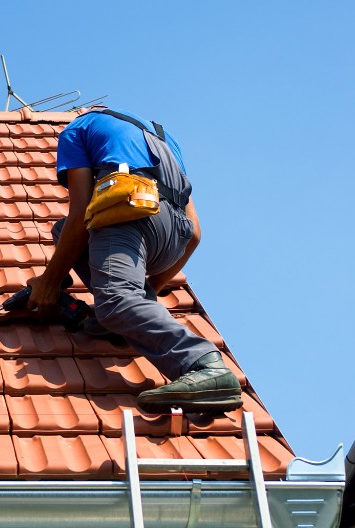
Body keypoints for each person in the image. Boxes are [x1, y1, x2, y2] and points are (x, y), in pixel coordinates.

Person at [26, 107, 242, 414]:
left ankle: (204, 365)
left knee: (113, 300)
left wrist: (49, 281)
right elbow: (194, 235)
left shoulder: (76, 131)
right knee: (64, 233)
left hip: (131, 215)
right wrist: (148, 290)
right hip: (173, 237)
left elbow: (79, 215)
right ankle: (129, 316)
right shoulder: (164, 139)